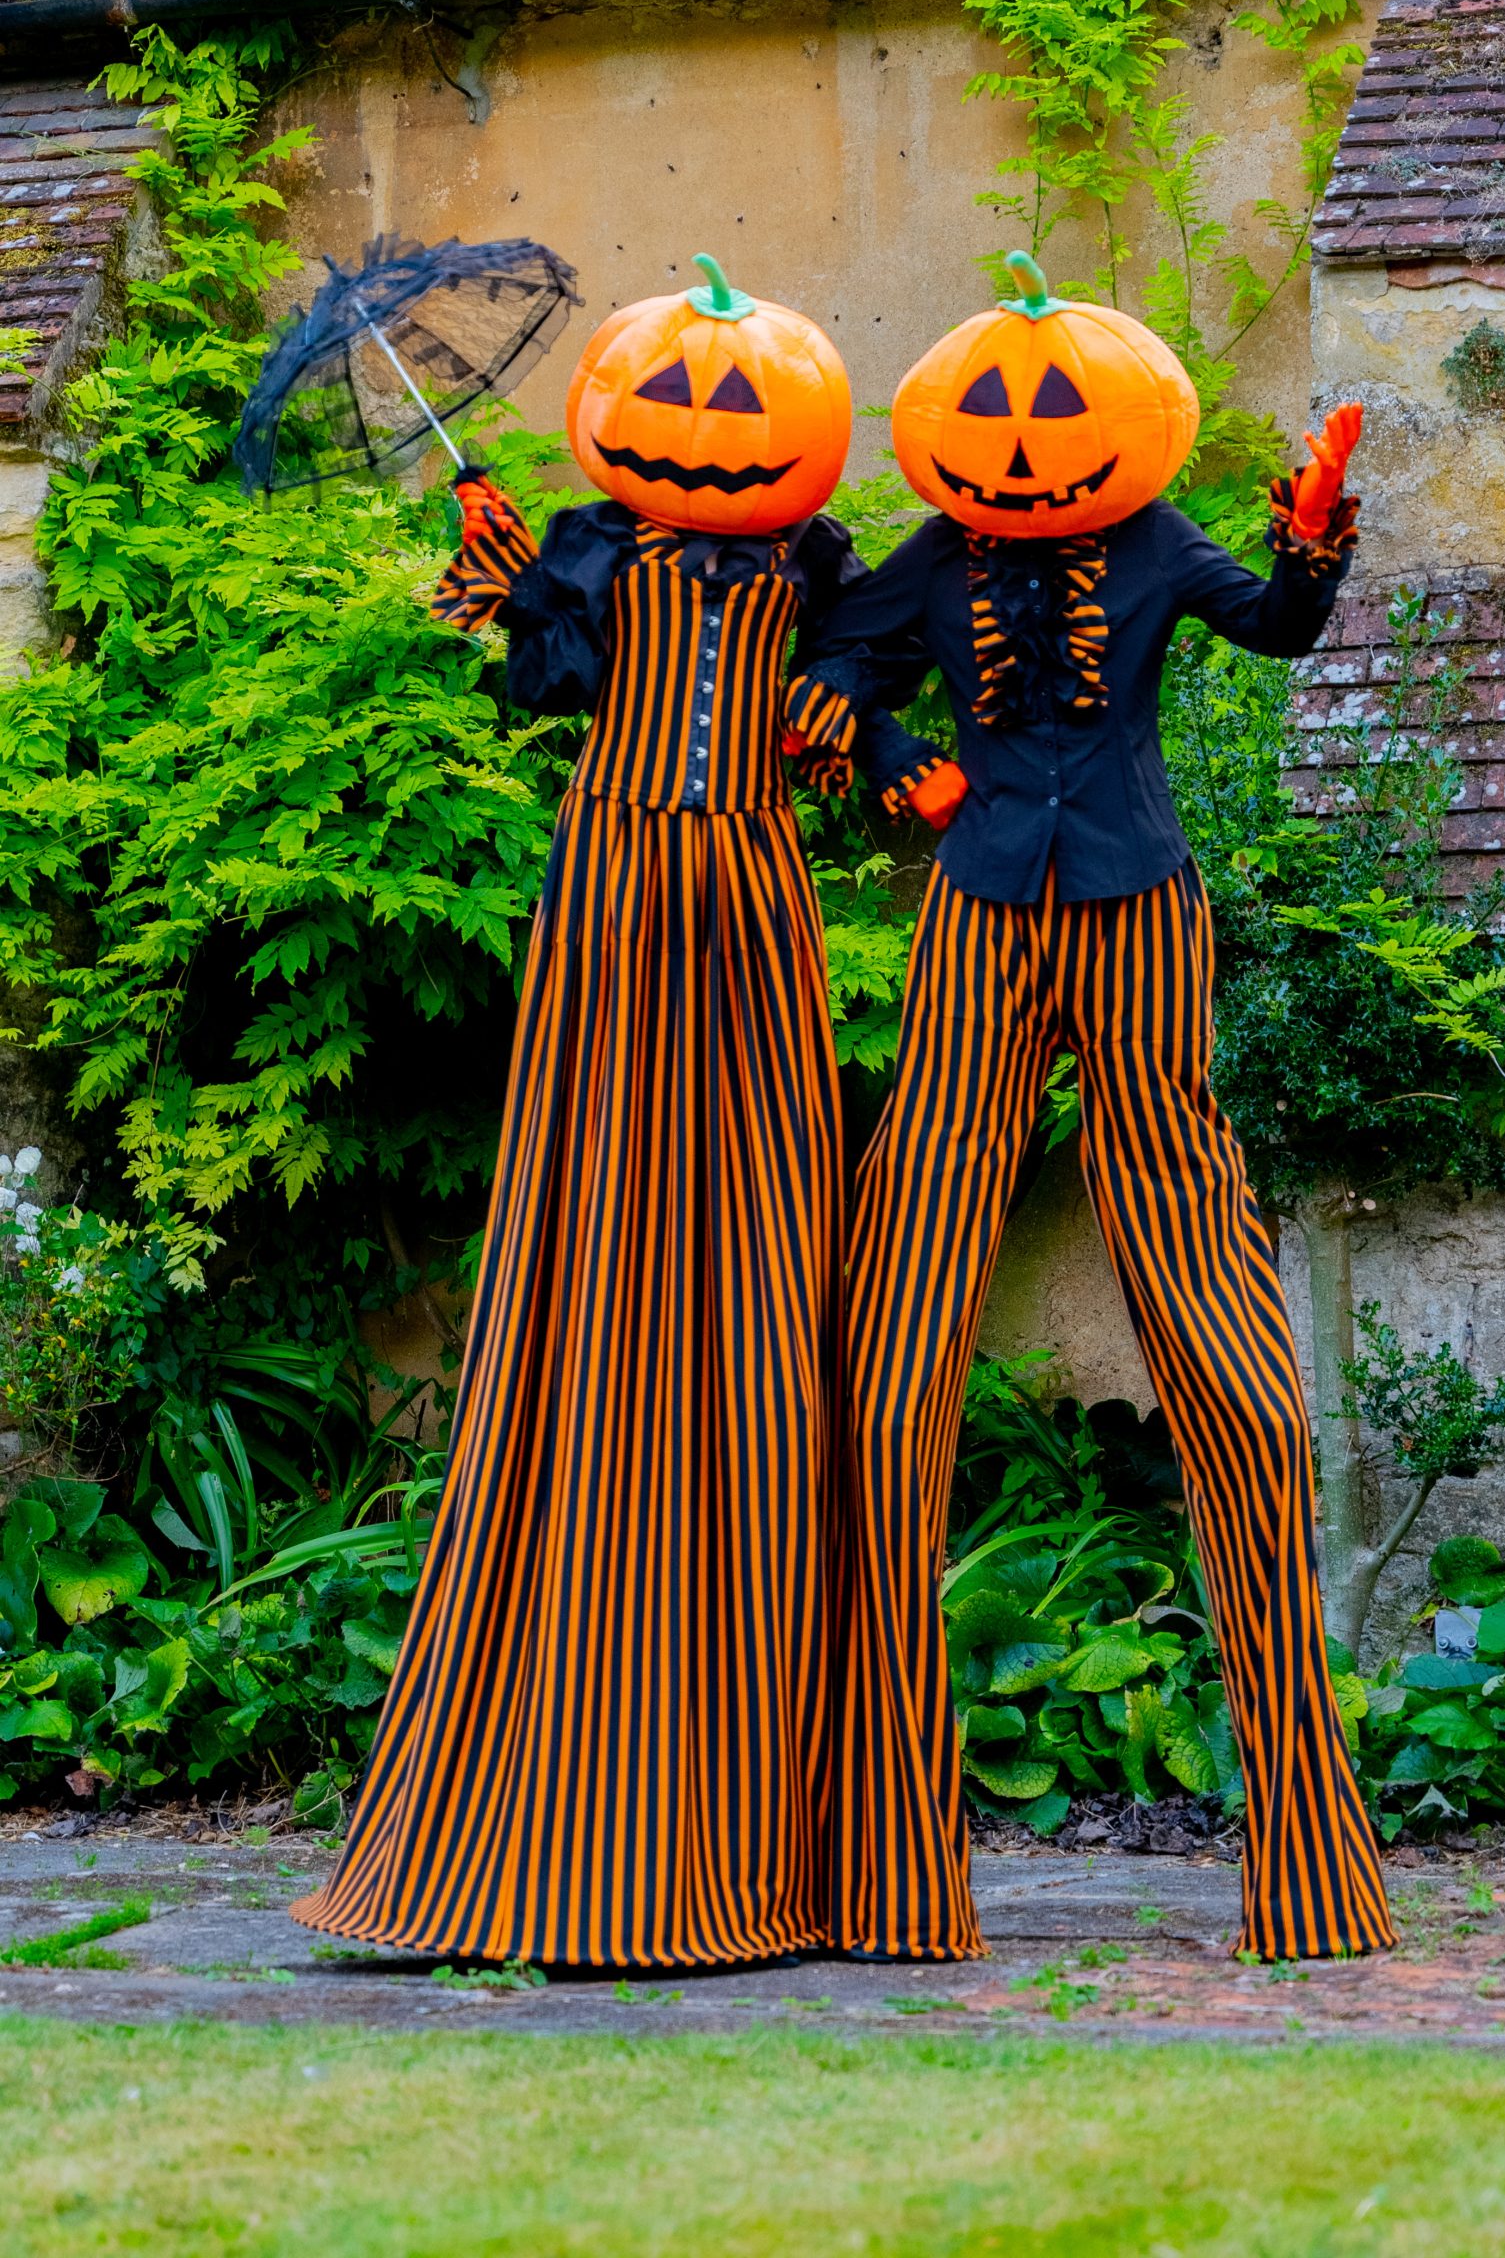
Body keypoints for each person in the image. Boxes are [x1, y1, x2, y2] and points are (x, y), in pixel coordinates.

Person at [294, 257, 925, 1972]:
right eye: (675, 405)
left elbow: (870, 664)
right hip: (620, 877)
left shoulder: (811, 561)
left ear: (804, 432)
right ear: (610, 419)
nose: (708, 435)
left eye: (740, 409)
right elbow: (555, 689)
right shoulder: (588, 547)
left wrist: (855, 724)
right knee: (605, 1182)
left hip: (757, 892)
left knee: (764, 1205)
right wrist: (508, 588)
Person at [787, 253, 1395, 1966]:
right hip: (978, 908)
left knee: (1208, 1300)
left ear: (1126, 426)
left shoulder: (1153, 544)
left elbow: (1274, 635)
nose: (1027, 445)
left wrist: (1311, 543)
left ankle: (1310, 1864)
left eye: (1056, 413)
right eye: (992, 416)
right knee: (902, 1308)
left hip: (1137, 902)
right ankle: (890, 1874)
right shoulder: (933, 559)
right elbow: (821, 672)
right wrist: (895, 757)